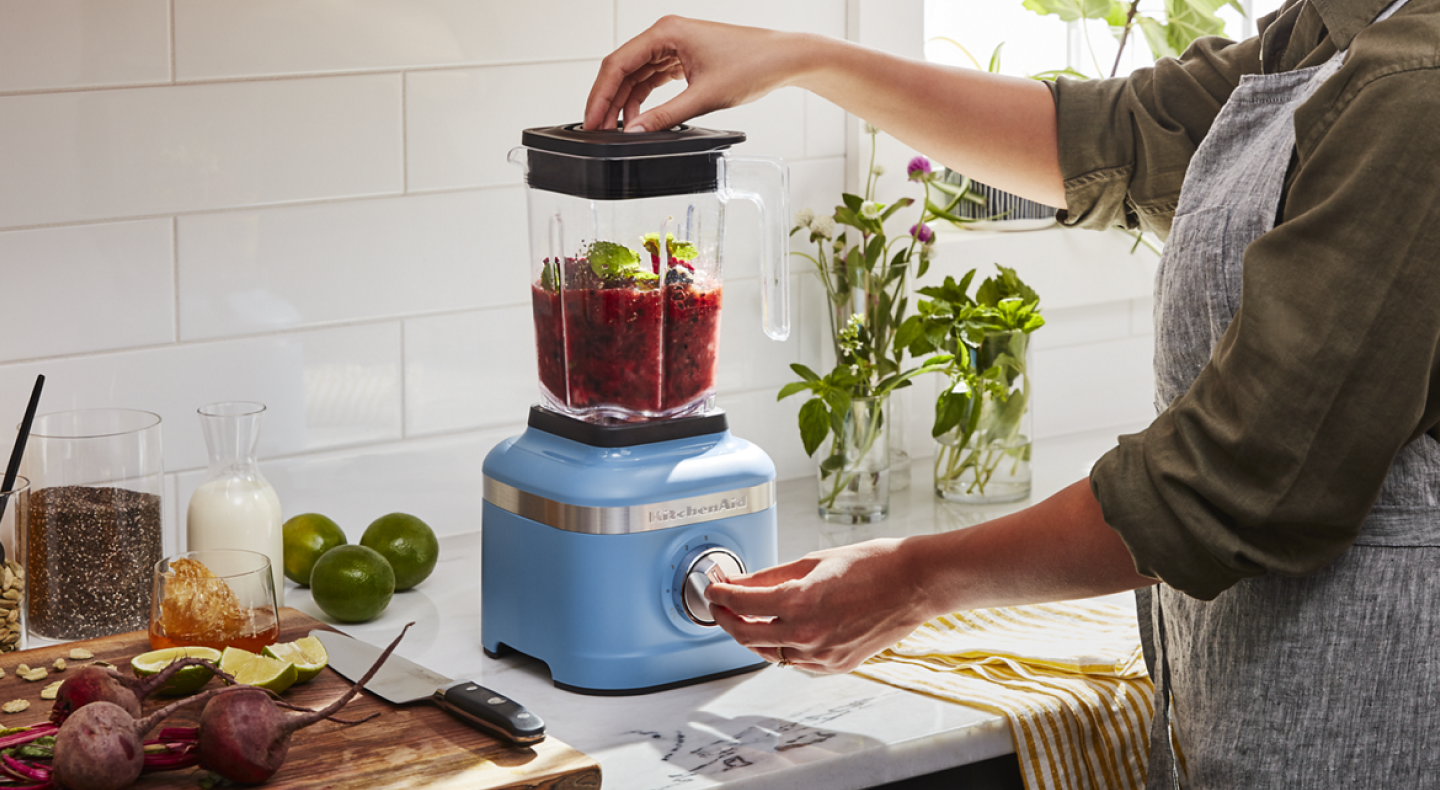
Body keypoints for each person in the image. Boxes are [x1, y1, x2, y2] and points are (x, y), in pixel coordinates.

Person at [586, 4, 1440, 787]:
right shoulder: (1338, 28)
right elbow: (1111, 139)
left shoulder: (1418, 83)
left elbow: (1241, 478)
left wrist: (916, 579)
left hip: (1375, 708)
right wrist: (801, 59)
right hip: (1243, 695)